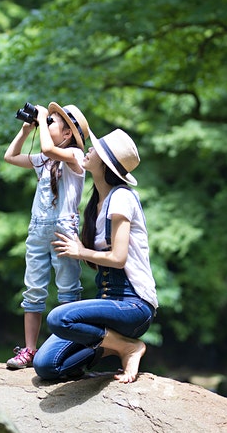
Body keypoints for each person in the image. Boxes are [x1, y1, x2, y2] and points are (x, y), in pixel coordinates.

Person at [32, 128, 157, 383]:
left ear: (106, 163)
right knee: (46, 366)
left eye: (95, 150)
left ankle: (128, 347)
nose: (89, 149)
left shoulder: (122, 197)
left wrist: (81, 251)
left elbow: (118, 258)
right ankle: (109, 345)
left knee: (59, 317)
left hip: (132, 305)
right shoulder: (96, 202)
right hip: (108, 304)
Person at [3, 102, 91, 370]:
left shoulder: (75, 155)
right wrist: (26, 130)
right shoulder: (45, 159)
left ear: (67, 134)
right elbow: (10, 156)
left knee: (67, 289)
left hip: (63, 230)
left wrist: (41, 121)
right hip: (38, 230)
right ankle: (29, 349)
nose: (47, 123)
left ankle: (67, 346)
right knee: (33, 289)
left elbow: (47, 148)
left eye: (52, 122)